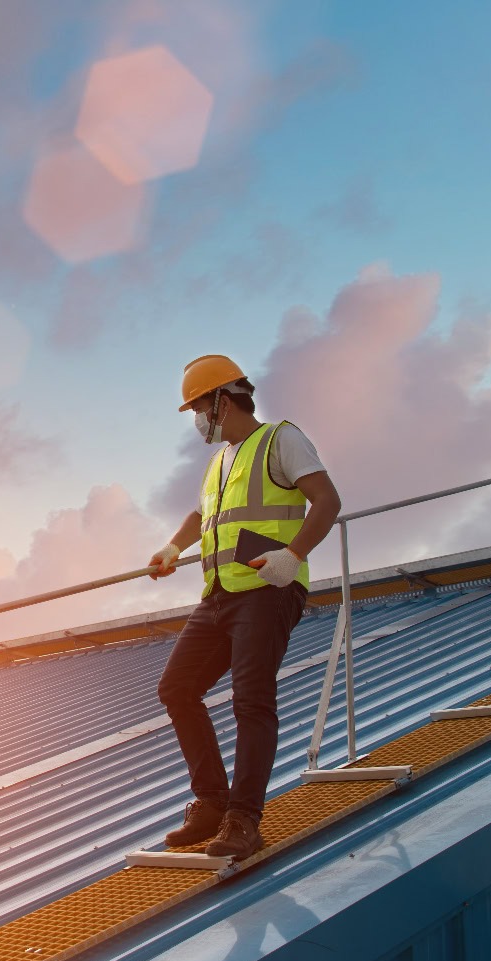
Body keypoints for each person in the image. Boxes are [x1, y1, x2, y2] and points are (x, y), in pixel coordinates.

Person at [145, 354, 341, 861]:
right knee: (177, 688)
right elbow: (201, 515)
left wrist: (293, 555)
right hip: (219, 594)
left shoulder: (281, 439)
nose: (195, 420)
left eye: (196, 408)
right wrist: (174, 548)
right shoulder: (219, 463)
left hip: (268, 590)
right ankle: (212, 801)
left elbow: (327, 501)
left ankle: (244, 820)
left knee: (251, 699)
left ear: (222, 401)